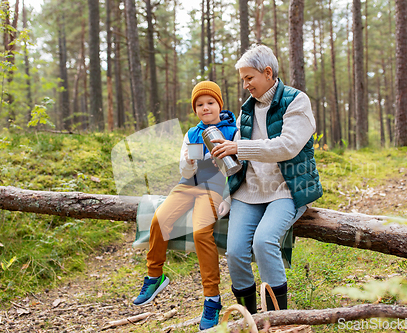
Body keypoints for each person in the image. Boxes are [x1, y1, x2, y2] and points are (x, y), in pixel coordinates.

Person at [211, 45, 323, 314]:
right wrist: (221, 156)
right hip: (249, 191)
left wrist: (239, 148)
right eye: (243, 80)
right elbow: (239, 157)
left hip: (287, 188)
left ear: (268, 72)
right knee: (235, 252)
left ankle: (277, 318)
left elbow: (288, 146)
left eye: (249, 78)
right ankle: (249, 318)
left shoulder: (297, 101)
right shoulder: (247, 110)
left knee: (263, 241)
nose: (246, 85)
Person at [133, 81, 237, 330]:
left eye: (210, 103)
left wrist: (228, 198)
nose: (205, 108)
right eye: (199, 105)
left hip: (212, 188)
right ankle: (154, 276)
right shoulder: (191, 133)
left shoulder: (233, 131)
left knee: (202, 231)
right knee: (159, 219)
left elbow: (238, 170)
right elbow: (183, 168)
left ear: (219, 105)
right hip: (186, 185)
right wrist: (190, 162)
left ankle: (212, 299)